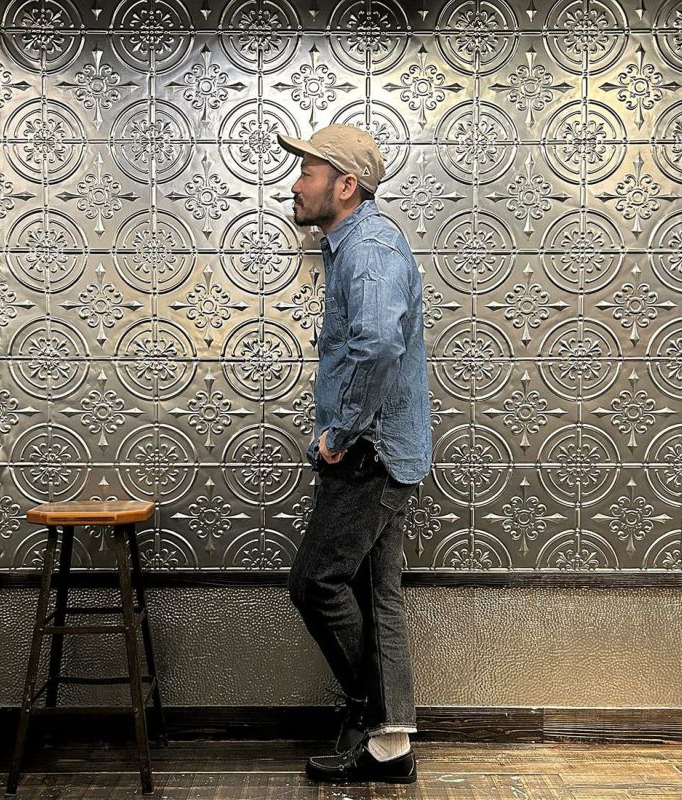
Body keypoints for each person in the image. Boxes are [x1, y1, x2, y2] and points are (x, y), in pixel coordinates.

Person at [278, 123, 432, 785]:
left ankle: (373, 718)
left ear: (345, 185)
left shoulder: (367, 247)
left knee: (315, 583)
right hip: (388, 451)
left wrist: (339, 436)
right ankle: (389, 748)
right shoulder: (358, 246)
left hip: (369, 454)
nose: (295, 184)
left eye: (307, 172)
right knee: (377, 595)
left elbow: (376, 348)